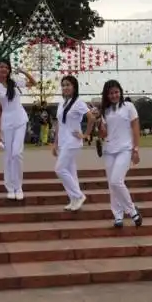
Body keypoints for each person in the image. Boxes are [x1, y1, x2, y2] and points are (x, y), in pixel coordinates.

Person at [0, 59, 37, 201]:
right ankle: (10, 188)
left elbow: (33, 83)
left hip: (20, 120)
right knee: (9, 156)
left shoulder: (15, 82)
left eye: (6, 67)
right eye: (1, 67)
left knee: (17, 154)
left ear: (9, 70)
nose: (4, 69)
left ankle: (19, 187)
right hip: (6, 123)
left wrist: (23, 71)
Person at [98, 80, 142, 228]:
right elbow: (103, 134)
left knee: (117, 180)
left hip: (125, 149)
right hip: (109, 150)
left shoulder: (129, 107)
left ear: (120, 92)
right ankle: (117, 215)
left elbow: (136, 128)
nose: (114, 95)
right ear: (107, 95)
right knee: (112, 184)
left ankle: (132, 211)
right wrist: (98, 122)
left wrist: (136, 149)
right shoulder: (106, 110)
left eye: (116, 92)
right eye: (111, 93)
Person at [53, 76, 94, 211]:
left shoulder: (78, 103)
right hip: (63, 142)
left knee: (59, 169)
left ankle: (79, 195)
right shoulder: (61, 103)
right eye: (63, 85)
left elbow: (91, 118)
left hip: (72, 141)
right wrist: (55, 143)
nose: (65, 87)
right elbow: (59, 123)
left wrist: (85, 135)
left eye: (68, 85)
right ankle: (74, 200)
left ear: (74, 87)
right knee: (70, 171)